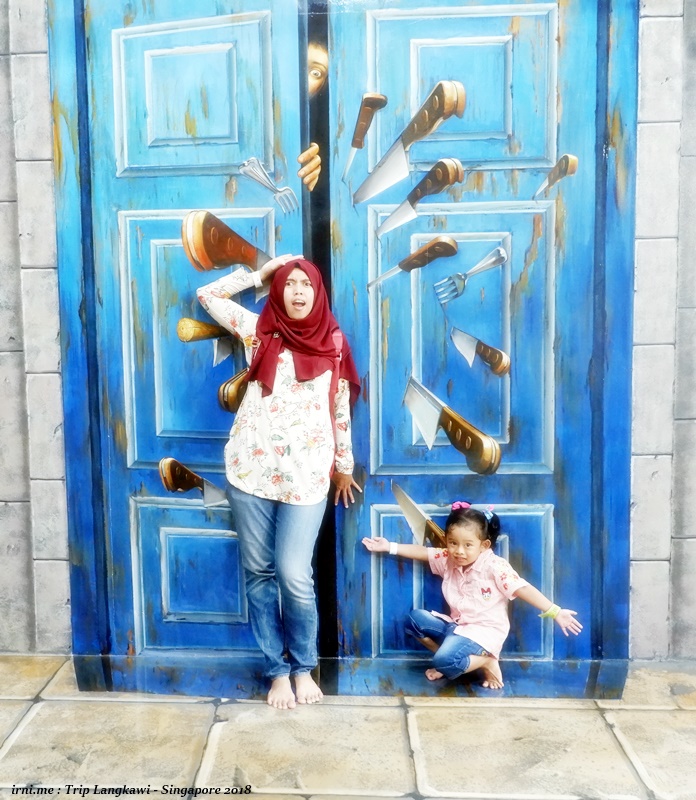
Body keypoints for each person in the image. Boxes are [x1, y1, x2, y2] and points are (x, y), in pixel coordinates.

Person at [197, 253, 362, 709]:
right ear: (278, 290)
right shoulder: (260, 331)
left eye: (305, 284)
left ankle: (304, 666)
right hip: (251, 472)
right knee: (260, 573)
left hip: (307, 477)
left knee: (293, 575)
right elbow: (207, 295)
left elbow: (340, 408)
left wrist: (344, 465)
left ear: (317, 292)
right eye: (289, 284)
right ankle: (277, 672)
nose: (297, 292)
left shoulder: (334, 342)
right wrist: (258, 274)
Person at [361, 502, 582, 689]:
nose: (459, 551)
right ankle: (451, 661)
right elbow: (424, 552)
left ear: (484, 545)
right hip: (457, 626)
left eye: (468, 545)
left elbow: (522, 588)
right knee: (415, 620)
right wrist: (388, 546)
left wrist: (555, 611)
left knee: (443, 661)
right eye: (453, 543)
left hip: (483, 633)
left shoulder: (494, 566)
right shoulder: (449, 558)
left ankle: (485, 662)